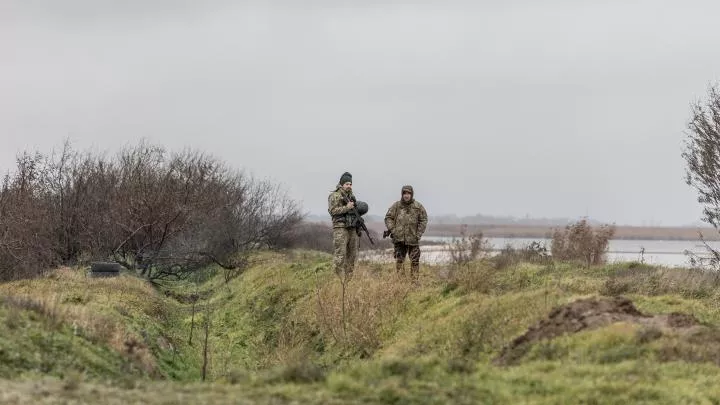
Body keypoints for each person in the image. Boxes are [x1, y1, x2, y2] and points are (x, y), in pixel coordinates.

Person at [384, 185, 428, 281]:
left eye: (408, 193)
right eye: (404, 193)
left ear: (411, 194)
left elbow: (423, 219)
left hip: (413, 239)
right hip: (399, 239)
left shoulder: (418, 206)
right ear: (402, 194)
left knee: (415, 261)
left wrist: (418, 234)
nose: (406, 195)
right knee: (399, 261)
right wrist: (393, 230)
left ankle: (414, 282)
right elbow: (388, 218)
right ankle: (401, 282)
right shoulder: (396, 206)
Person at [328, 171, 359, 280]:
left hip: (352, 228)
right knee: (340, 255)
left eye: (350, 184)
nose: (349, 186)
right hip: (340, 228)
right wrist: (347, 207)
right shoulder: (334, 196)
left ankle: (348, 282)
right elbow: (333, 211)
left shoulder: (352, 196)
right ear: (341, 184)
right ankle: (337, 281)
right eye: (347, 184)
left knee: (352, 256)